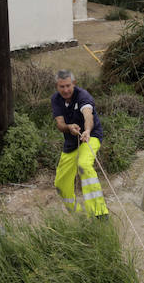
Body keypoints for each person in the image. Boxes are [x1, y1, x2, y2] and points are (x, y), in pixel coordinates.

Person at [51, 69, 109, 217]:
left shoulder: (83, 96)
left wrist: (87, 130)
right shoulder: (55, 100)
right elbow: (60, 124)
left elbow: (88, 114)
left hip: (91, 137)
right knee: (60, 183)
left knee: (83, 164)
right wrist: (68, 128)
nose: (65, 90)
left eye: (68, 86)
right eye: (62, 86)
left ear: (74, 84)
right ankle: (77, 214)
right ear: (57, 86)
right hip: (71, 143)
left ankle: (99, 213)